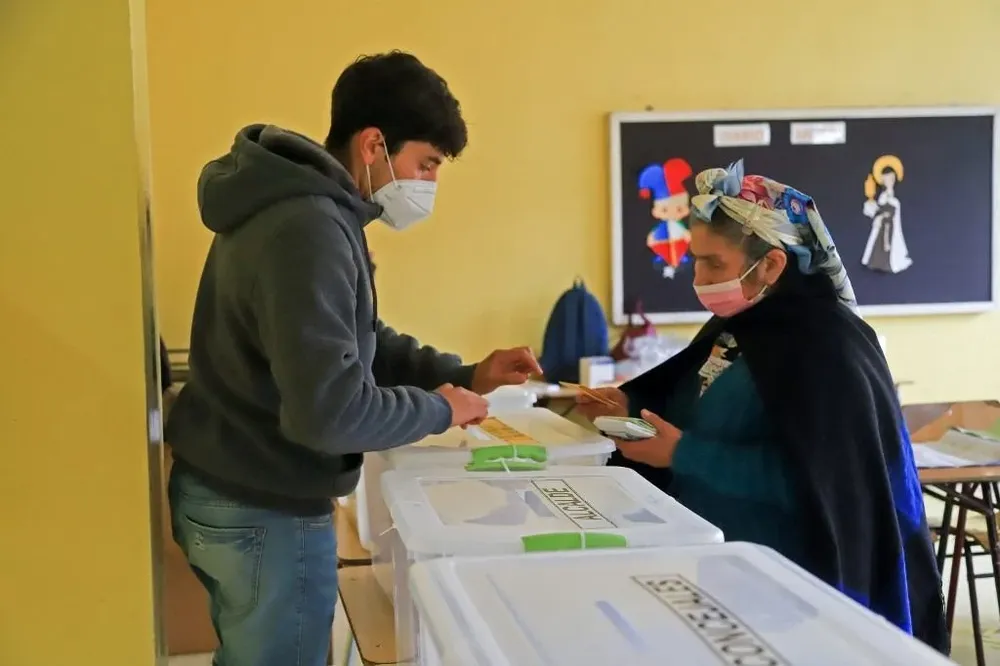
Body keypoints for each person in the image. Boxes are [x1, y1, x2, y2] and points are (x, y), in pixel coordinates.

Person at [165, 51, 541, 666]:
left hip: (234, 485)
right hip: (264, 502)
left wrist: (465, 375)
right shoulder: (307, 227)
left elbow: (359, 339)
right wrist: (437, 410)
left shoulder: (303, 209)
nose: (430, 184)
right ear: (373, 145)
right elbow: (331, 412)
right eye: (426, 164)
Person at [578, 160, 948, 653]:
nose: (699, 277)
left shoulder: (828, 348)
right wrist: (630, 405)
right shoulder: (742, 328)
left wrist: (683, 454)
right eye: (696, 260)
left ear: (772, 264)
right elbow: (691, 401)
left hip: (789, 591)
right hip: (714, 567)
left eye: (715, 264)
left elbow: (819, 481)